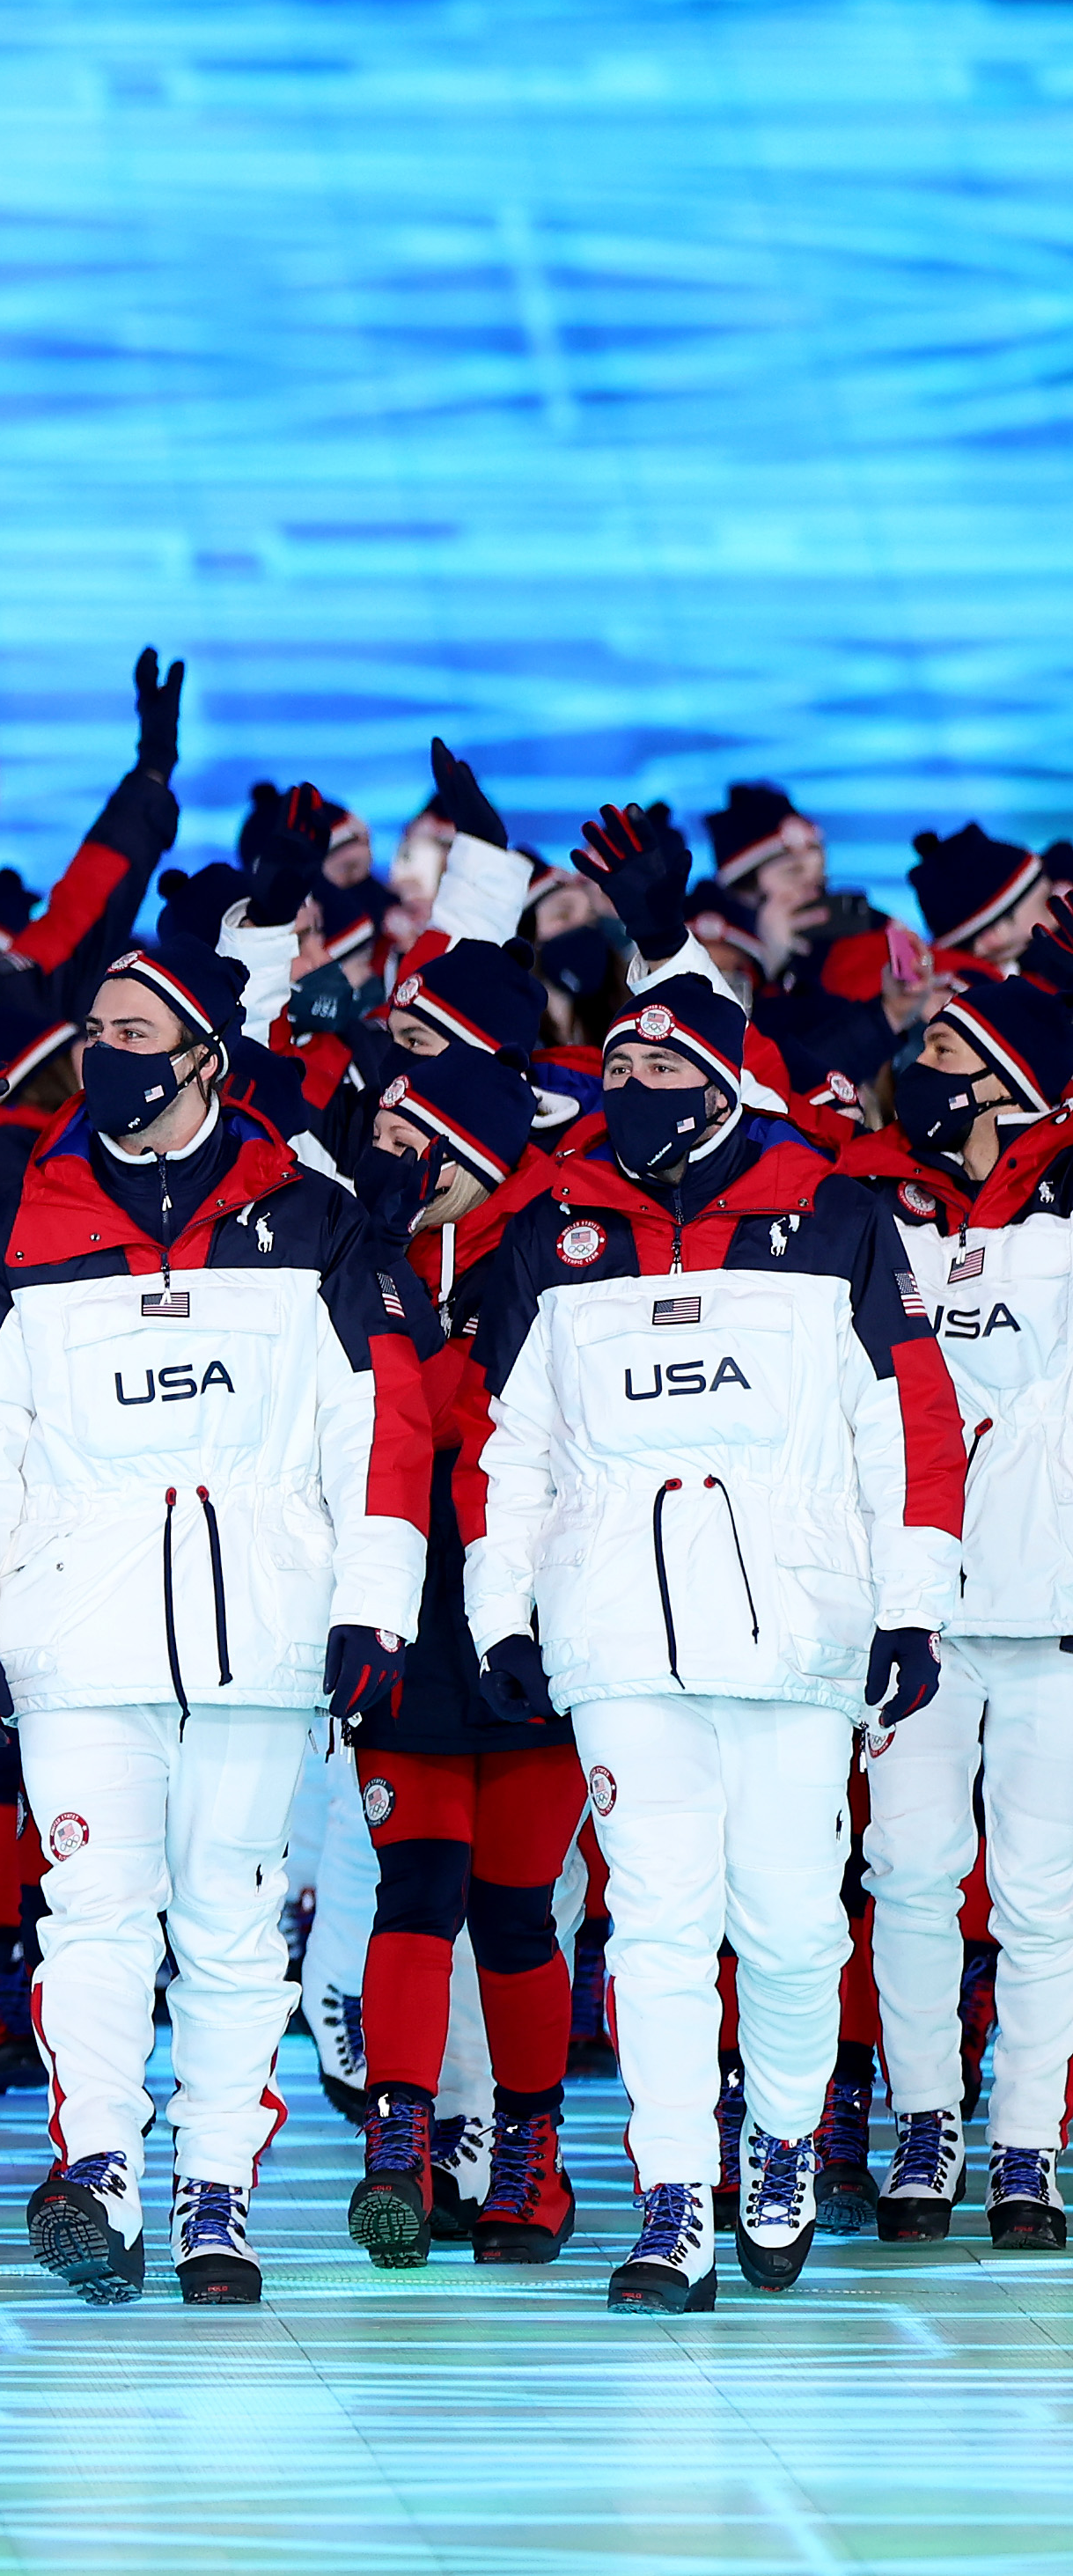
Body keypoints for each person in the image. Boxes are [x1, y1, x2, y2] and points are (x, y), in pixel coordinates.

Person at [0, 936, 424, 2307]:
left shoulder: (310, 1222)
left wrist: (374, 1602)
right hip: (76, 1638)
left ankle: (217, 2186)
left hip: (262, 1634)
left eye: (139, 1030)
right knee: (91, 1907)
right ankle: (99, 2165)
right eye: (96, 1030)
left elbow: (377, 1423)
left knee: (234, 1918)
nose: (108, 1054)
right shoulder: (13, 1226)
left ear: (205, 1052)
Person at [459, 936, 960, 2312]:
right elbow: (511, 1451)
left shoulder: (841, 1216)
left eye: (662, 1062)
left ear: (726, 1075)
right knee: (659, 1925)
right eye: (615, 1061)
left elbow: (907, 1425)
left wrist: (911, 1604)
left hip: (798, 1628)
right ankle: (673, 2194)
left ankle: (783, 2135)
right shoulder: (550, 1232)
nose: (631, 1083)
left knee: (795, 1927)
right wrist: (504, 1609)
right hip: (620, 1632)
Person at [337, 1038, 589, 2264]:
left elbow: (458, 1417)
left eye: (400, 1138)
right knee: (417, 1888)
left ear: (465, 1154)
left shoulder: (549, 1251)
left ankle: (529, 2163)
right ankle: (403, 2140)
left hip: (527, 1615)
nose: (376, 1157)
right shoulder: (358, 1239)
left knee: (512, 1909)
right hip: (401, 1613)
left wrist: (383, 1276)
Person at [850, 975, 1073, 2242]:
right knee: (910, 1871)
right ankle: (926, 2119)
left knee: (1044, 1893)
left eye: (942, 1046)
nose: (914, 1065)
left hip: (1050, 1607)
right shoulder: (878, 1210)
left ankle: (1030, 2142)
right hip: (917, 1611)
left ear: (1005, 1075)